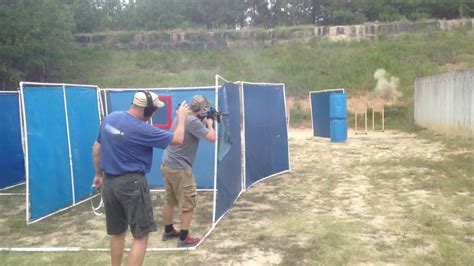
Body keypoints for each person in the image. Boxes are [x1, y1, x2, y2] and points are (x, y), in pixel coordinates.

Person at [92, 91, 189, 266]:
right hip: (132, 184)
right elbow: (178, 138)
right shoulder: (142, 129)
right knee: (141, 235)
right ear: (147, 109)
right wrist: (182, 118)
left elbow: (96, 149)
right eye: (153, 110)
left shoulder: (110, 118)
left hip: (109, 182)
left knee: (117, 232)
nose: (153, 114)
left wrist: (99, 175)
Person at [160, 95, 216, 247]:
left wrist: (202, 121)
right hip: (179, 168)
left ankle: (169, 230)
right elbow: (212, 137)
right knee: (188, 202)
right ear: (202, 109)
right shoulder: (192, 121)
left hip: (167, 163)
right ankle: (184, 238)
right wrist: (209, 124)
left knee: (170, 199)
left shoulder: (182, 114)